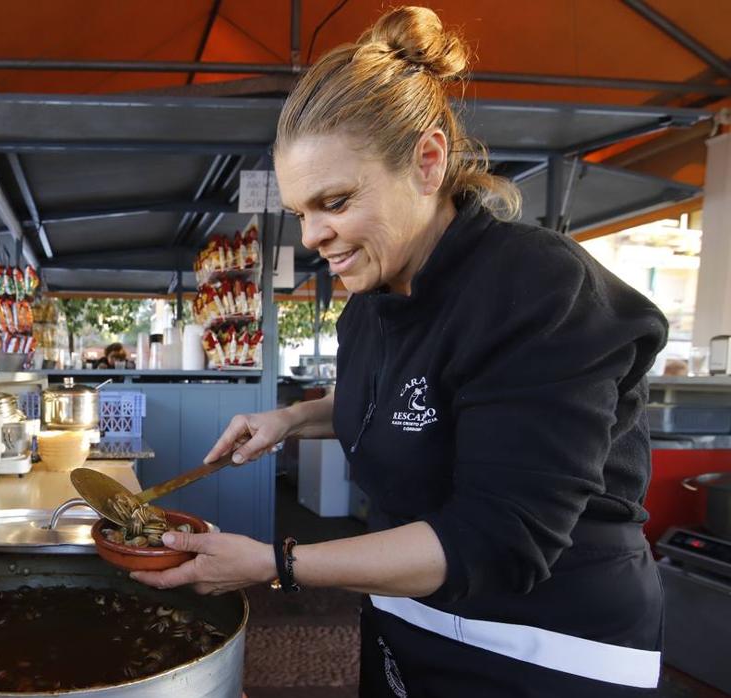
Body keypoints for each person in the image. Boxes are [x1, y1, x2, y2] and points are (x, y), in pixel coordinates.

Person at [130, 7, 667, 697]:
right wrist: (292, 421)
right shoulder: (370, 307)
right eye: (302, 213)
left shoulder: (536, 287)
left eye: (336, 200)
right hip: (406, 627)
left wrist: (274, 564)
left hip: (547, 653)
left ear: (428, 162)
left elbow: (497, 538)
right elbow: (408, 400)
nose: (316, 237)